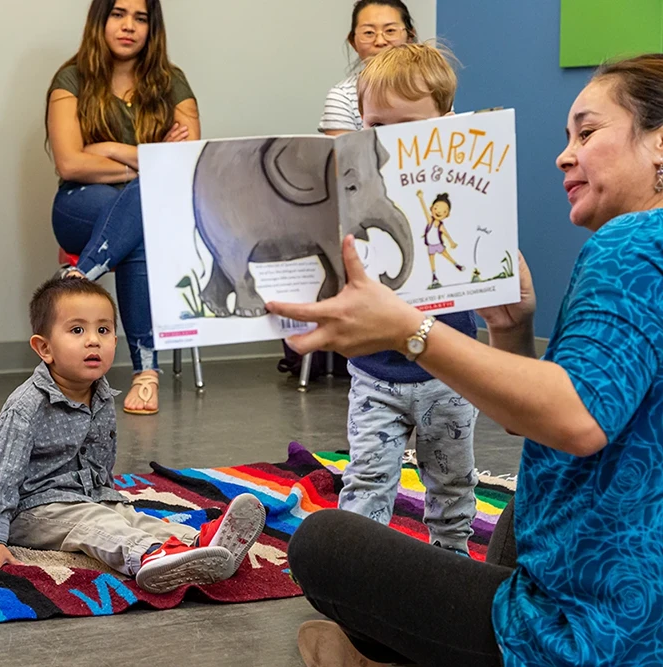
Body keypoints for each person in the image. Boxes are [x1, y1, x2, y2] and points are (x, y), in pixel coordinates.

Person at [268, 54, 663, 666]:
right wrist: (513, 329)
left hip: (599, 635)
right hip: (637, 591)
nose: (563, 154)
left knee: (324, 543)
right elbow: (555, 420)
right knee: (513, 519)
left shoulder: (630, 245)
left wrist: (408, 329)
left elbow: (577, 419)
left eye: (587, 133)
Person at [0, 276, 266, 593]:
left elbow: (100, 460)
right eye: (77, 330)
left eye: (103, 330)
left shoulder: (102, 395)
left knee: (127, 516)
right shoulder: (25, 407)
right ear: (45, 348)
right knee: (99, 526)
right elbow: (0, 475)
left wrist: (106, 497)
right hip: (33, 511)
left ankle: (199, 544)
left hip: (88, 496)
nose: (93, 340)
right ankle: (148, 558)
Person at [334, 44, 481, 557]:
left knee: (453, 480)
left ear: (446, 121)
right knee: (367, 481)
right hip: (376, 374)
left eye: (410, 126)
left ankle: (452, 563)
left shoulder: (466, 189)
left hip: (451, 371)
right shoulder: (355, 190)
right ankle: (357, 572)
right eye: (378, 125)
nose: (393, 140)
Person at [45, 0, 201, 416]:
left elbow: (182, 166)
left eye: (141, 17)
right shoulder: (71, 79)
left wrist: (108, 150)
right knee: (143, 209)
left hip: (152, 214)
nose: (129, 25)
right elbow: (70, 163)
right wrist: (147, 157)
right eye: (118, 14)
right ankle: (145, 373)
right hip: (80, 208)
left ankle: (82, 277)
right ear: (101, 19)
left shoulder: (172, 83)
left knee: (143, 219)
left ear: (153, 27)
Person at [318, 0, 417, 136]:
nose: (380, 41)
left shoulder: (430, 85)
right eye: (369, 33)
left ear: (410, 36)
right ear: (353, 42)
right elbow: (345, 155)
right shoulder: (342, 97)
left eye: (390, 31)